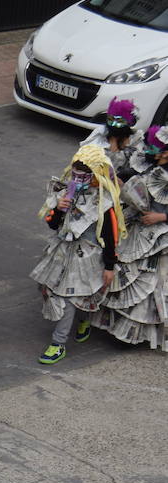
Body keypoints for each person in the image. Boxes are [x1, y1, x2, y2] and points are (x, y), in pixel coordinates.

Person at [31, 144, 124, 364]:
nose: (77, 180)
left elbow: (111, 236)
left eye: (83, 176)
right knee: (50, 289)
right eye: (75, 175)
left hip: (88, 256)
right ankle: (84, 319)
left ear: (96, 177)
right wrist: (58, 209)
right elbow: (53, 225)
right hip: (62, 251)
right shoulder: (65, 193)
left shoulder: (105, 202)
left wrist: (109, 266)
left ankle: (58, 343)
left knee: (70, 298)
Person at [96, 125, 168, 350]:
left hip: (160, 238)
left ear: (166, 152)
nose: (148, 149)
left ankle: (137, 332)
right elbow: (129, 178)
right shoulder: (147, 163)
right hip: (137, 227)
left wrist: (161, 216)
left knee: (153, 284)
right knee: (127, 275)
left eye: (154, 147)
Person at [81, 96, 144, 180]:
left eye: (119, 121)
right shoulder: (100, 132)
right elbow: (86, 153)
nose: (114, 124)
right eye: (111, 120)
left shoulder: (135, 139)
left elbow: (139, 166)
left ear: (128, 123)